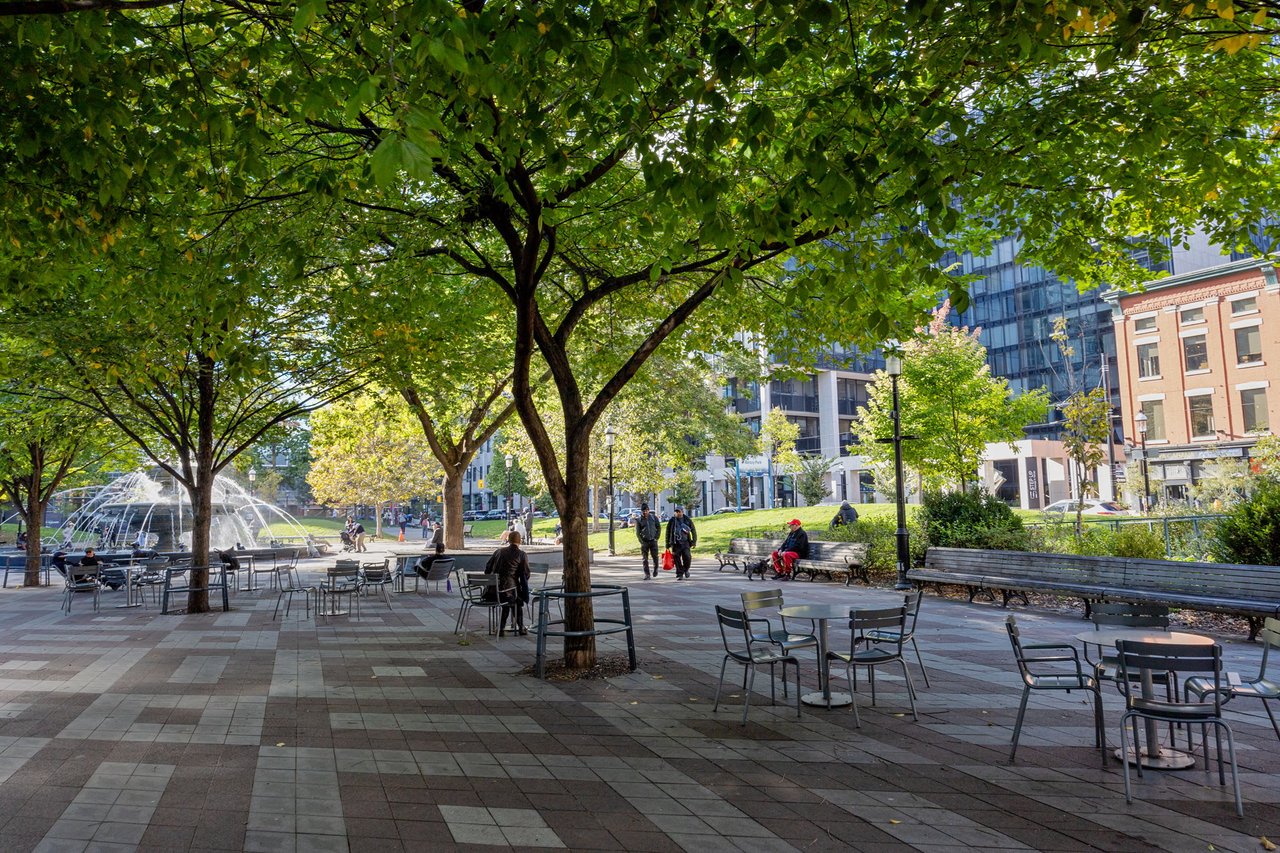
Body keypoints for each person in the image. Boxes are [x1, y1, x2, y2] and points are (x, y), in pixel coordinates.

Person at [484, 529, 530, 636]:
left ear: (508, 540)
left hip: (491, 592)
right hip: (508, 592)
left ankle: (502, 627)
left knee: (511, 598)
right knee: (515, 599)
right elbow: (525, 574)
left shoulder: (498, 551)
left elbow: (487, 569)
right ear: (520, 541)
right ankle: (519, 627)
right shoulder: (521, 555)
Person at [664, 506, 697, 580]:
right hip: (675, 543)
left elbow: (693, 530)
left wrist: (694, 541)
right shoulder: (672, 520)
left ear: (682, 512)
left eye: (679, 511)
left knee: (687, 557)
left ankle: (686, 569)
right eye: (676, 512)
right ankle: (680, 574)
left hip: (685, 542)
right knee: (677, 559)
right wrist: (667, 544)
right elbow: (668, 532)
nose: (678, 513)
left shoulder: (687, 520)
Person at [635, 503, 661, 579]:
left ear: (648, 510)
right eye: (643, 511)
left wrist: (657, 537)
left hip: (653, 541)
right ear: (641, 511)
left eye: (646, 510)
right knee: (644, 559)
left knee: (655, 557)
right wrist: (641, 541)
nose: (645, 512)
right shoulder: (639, 520)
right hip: (645, 542)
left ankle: (655, 569)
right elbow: (637, 532)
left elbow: (658, 528)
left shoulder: (654, 518)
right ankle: (647, 574)